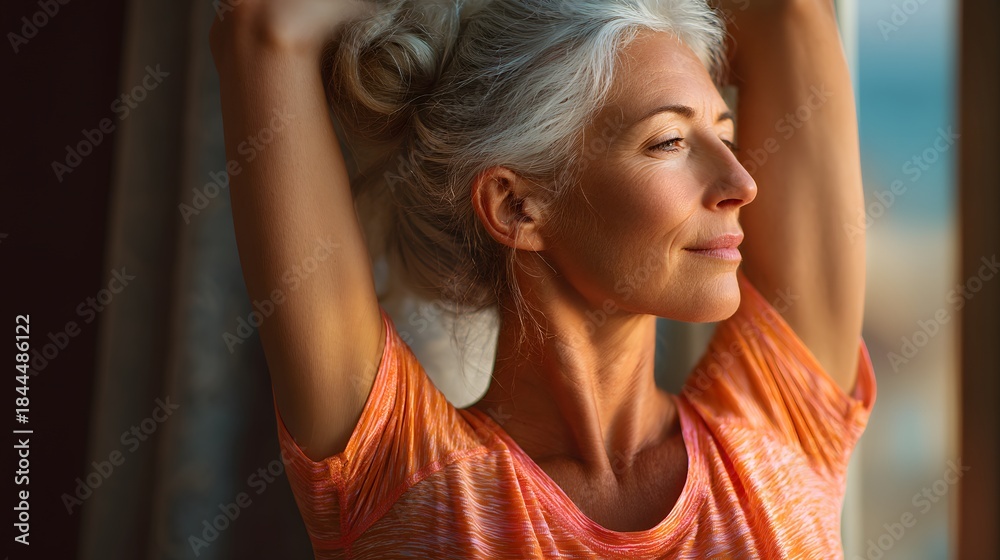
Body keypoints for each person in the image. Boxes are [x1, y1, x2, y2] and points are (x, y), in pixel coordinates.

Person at [210, 0, 876, 557]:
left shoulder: (780, 429)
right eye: (669, 142)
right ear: (516, 206)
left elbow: (783, 13)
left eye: (724, 136)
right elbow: (266, 28)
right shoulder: (404, 479)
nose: (741, 182)